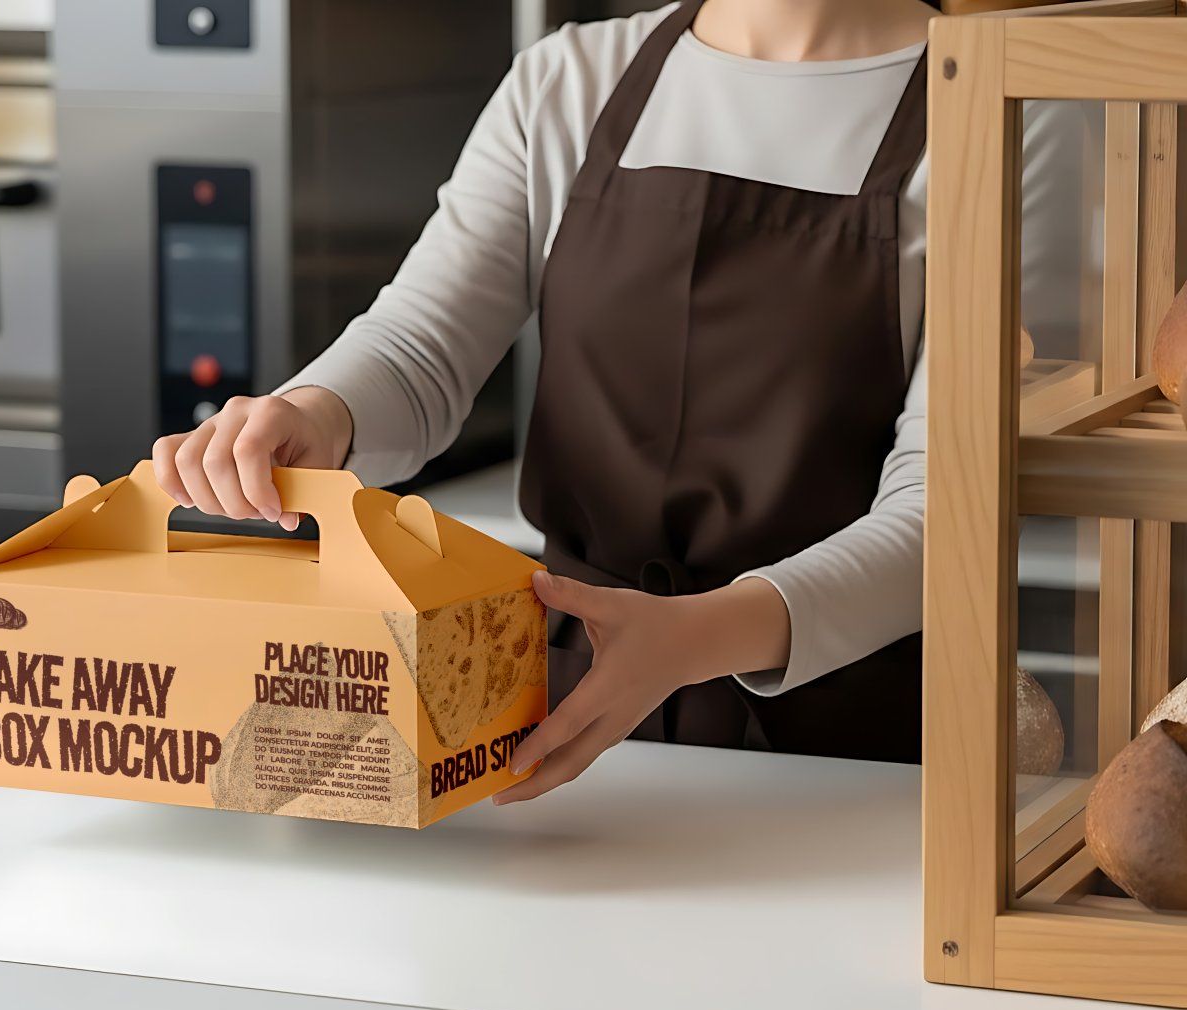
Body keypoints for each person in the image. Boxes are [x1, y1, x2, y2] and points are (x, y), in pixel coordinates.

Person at [151, 0, 1087, 802]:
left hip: (854, 749)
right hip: (559, 722)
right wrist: (314, 413)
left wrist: (698, 638)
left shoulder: (1008, 113)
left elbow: (949, 504)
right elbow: (419, 348)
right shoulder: (570, 81)